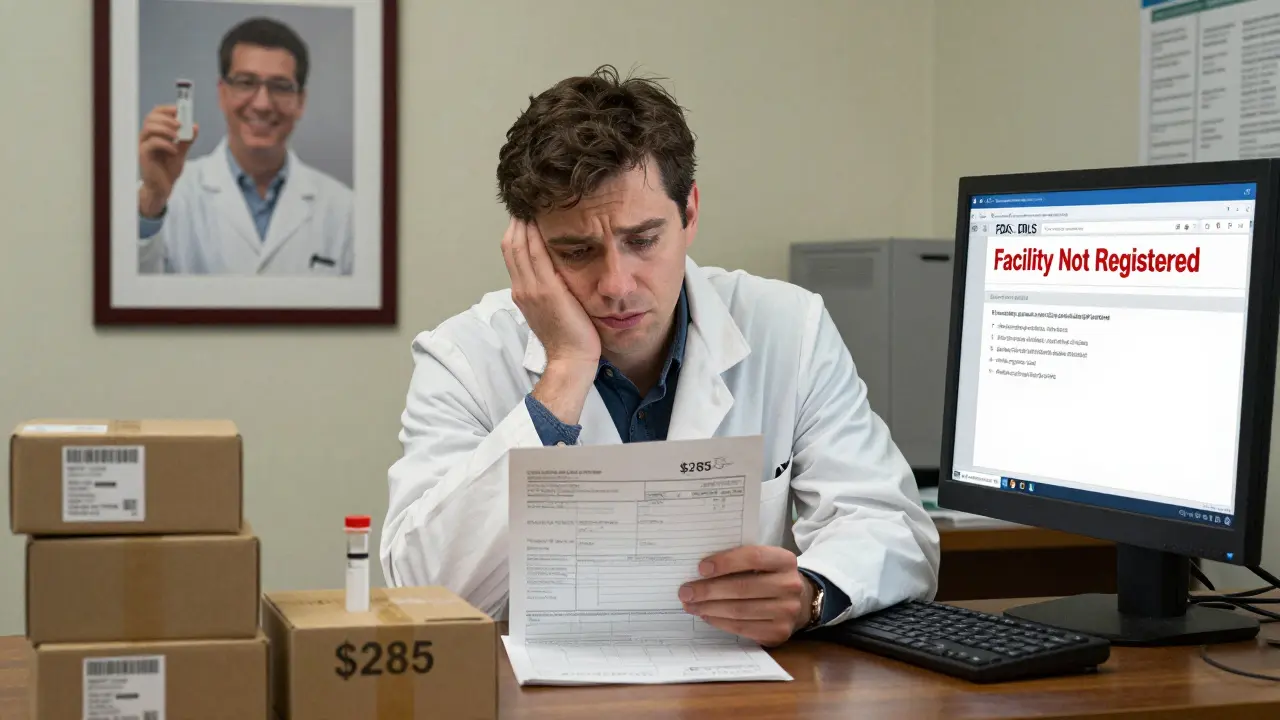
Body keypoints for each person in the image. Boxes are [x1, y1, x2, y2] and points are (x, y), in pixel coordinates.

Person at [382, 66, 940, 646]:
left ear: (690, 212)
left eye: (642, 241)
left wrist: (810, 593)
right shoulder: (465, 357)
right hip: (539, 683)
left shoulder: (788, 327)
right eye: (577, 251)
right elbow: (424, 594)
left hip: (738, 681)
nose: (617, 285)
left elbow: (895, 528)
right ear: (528, 249)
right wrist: (565, 373)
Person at [136, 16, 353, 276]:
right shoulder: (166, 198)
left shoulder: (345, 210)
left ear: (301, 101)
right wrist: (152, 201)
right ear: (222, 92)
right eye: (246, 83)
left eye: (280, 87)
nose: (262, 104)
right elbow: (126, 288)